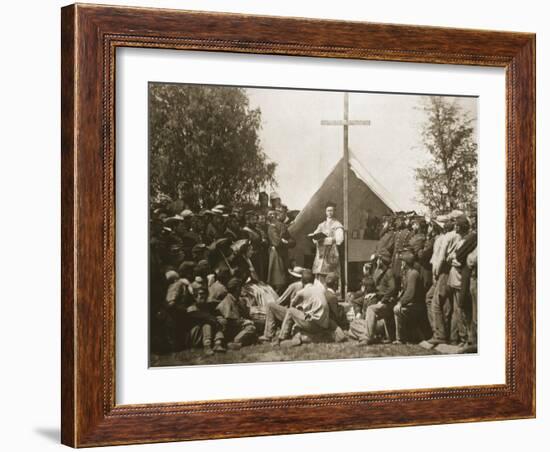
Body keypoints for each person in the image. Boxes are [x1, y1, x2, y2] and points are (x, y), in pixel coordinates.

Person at [259, 269, 330, 345]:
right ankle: (294, 337)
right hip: (322, 324)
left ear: (301, 280)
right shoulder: (319, 289)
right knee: (294, 313)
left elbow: (289, 307)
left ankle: (279, 337)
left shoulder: (300, 290)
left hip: (312, 323)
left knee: (273, 306)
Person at [351, 253, 397, 345]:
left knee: (370, 309)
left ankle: (367, 337)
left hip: (385, 305)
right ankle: (370, 335)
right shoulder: (378, 271)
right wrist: (366, 274)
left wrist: (382, 299)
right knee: (353, 324)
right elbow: (371, 284)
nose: (376, 262)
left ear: (382, 261)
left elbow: (392, 288)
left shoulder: (389, 272)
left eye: (378, 260)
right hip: (377, 305)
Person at [393, 249, 426, 344]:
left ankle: (400, 338)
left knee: (397, 310)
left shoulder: (413, 274)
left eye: (402, 261)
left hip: (417, 305)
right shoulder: (408, 273)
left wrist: (400, 303)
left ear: (406, 263)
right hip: (412, 304)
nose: (401, 264)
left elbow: (410, 293)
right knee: (396, 307)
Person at [216, 278, 257, 350]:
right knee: (251, 328)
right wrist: (244, 322)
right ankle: (236, 341)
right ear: (237, 289)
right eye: (240, 287)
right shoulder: (228, 301)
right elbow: (229, 320)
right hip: (228, 329)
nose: (241, 289)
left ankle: (240, 343)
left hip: (235, 326)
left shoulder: (236, 299)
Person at [311, 202, 344, 286]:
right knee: (320, 274)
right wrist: (315, 238)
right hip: (321, 253)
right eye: (328, 210)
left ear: (334, 211)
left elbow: (339, 240)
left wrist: (326, 240)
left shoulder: (337, 224)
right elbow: (314, 237)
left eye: (331, 210)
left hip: (331, 252)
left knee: (331, 274)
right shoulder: (321, 225)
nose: (330, 212)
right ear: (325, 212)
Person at [267, 210, 290, 293]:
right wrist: (284, 241)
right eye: (271, 215)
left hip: (282, 252)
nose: (274, 216)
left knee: (282, 275)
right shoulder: (271, 227)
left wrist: (287, 242)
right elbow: (276, 242)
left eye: (275, 215)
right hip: (276, 253)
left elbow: (290, 238)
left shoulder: (282, 225)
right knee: (277, 277)